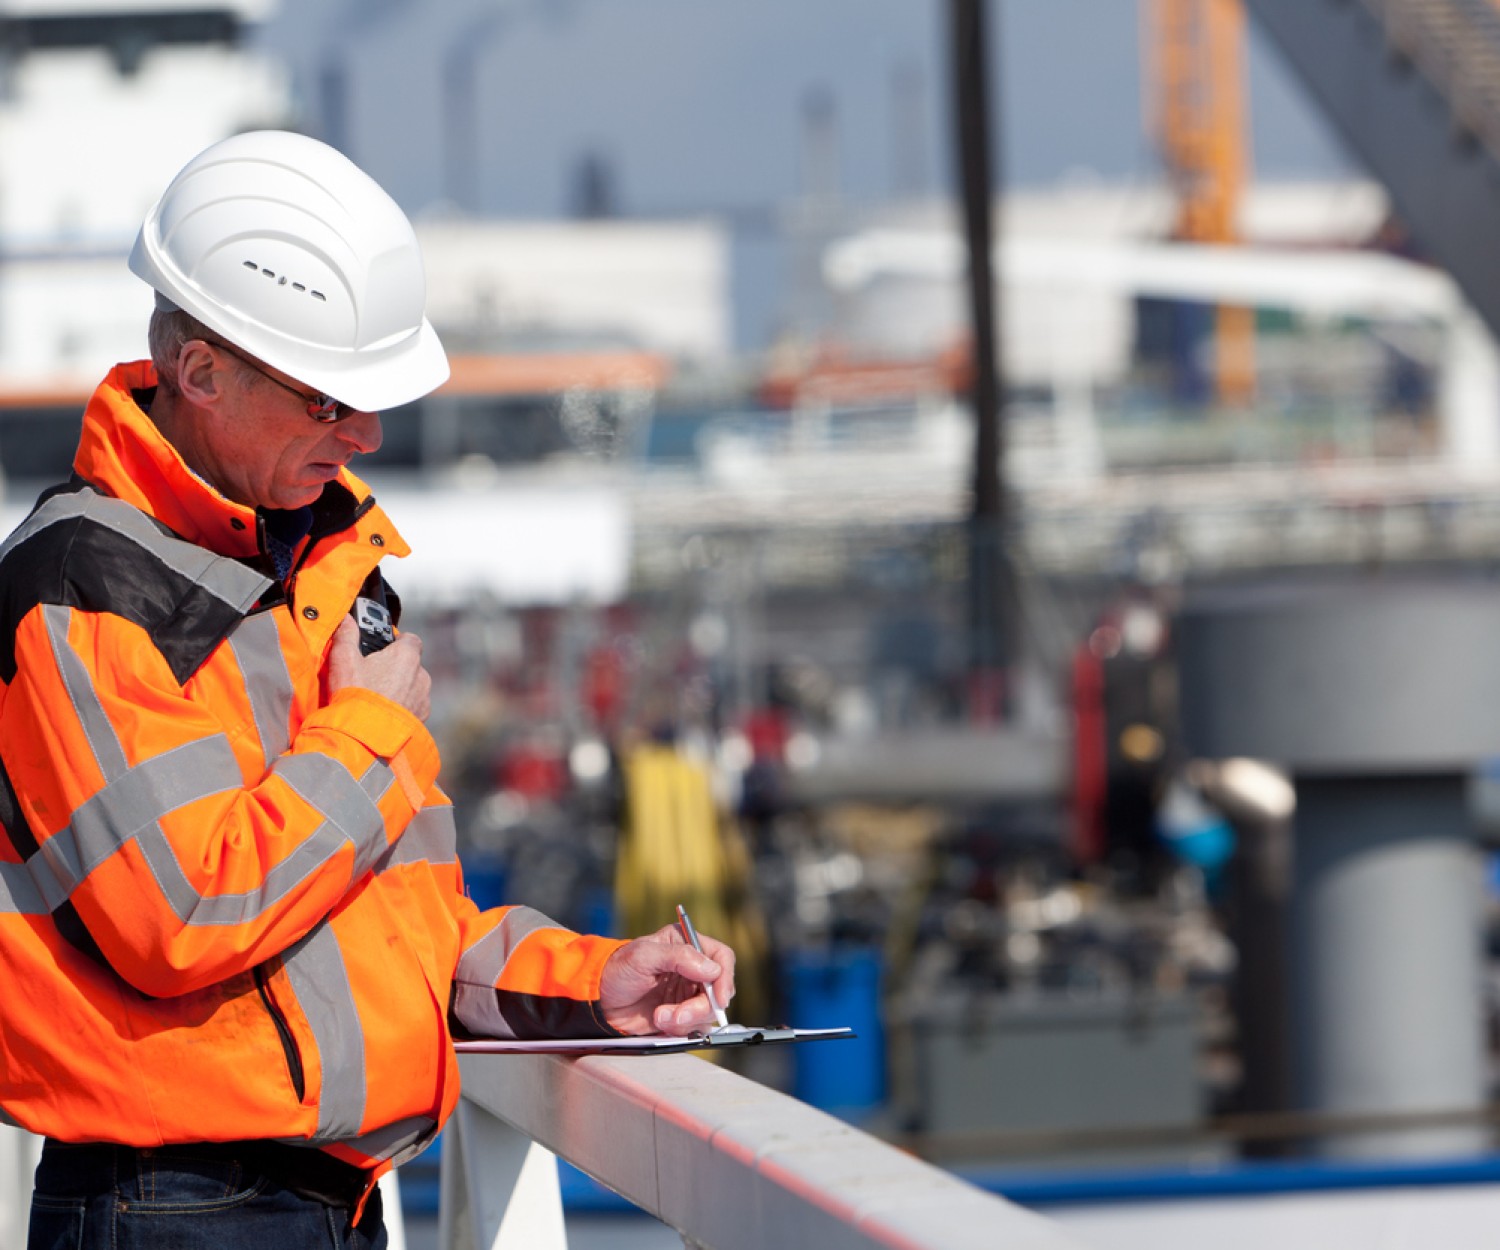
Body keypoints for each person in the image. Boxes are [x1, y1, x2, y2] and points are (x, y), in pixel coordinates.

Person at [0, 131, 735, 1250]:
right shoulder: (81, 593)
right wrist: (365, 729)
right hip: (173, 1209)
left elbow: (402, 929)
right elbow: (187, 915)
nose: (367, 435)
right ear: (200, 374)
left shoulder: (325, 577)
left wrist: (596, 983)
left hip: (313, 1205)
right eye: (329, 402)